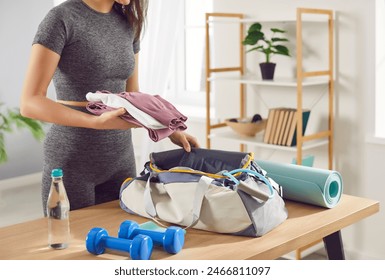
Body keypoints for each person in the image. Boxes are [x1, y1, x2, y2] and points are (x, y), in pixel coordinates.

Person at [20, 0, 199, 211]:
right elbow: (30, 102)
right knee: (75, 241)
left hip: (120, 158)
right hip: (73, 160)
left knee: (121, 238)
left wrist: (166, 127)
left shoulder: (129, 22)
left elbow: (133, 96)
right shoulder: (61, 18)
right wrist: (94, 122)